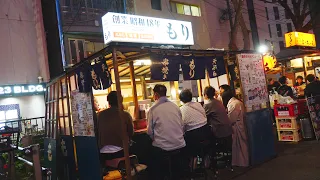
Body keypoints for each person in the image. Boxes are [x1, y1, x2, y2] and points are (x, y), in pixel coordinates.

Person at [147, 84, 186, 179]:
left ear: (155, 95)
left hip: (163, 149)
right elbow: (182, 125)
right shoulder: (175, 106)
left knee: (149, 151)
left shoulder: (152, 110)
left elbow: (149, 132)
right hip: (180, 145)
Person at [97, 91, 134, 163]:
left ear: (108, 102)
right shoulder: (125, 114)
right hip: (119, 151)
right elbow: (131, 133)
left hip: (102, 152)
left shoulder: (100, 115)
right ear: (121, 101)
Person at [221, 88, 249, 167]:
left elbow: (231, 119)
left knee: (241, 146)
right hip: (240, 125)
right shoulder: (236, 102)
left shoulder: (234, 104)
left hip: (238, 127)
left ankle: (242, 162)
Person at [179, 89, 210, 157]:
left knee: (186, 145)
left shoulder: (181, 109)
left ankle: (193, 161)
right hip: (206, 131)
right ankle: (205, 159)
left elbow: (182, 125)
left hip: (194, 135)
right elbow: (204, 115)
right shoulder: (198, 104)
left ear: (181, 99)